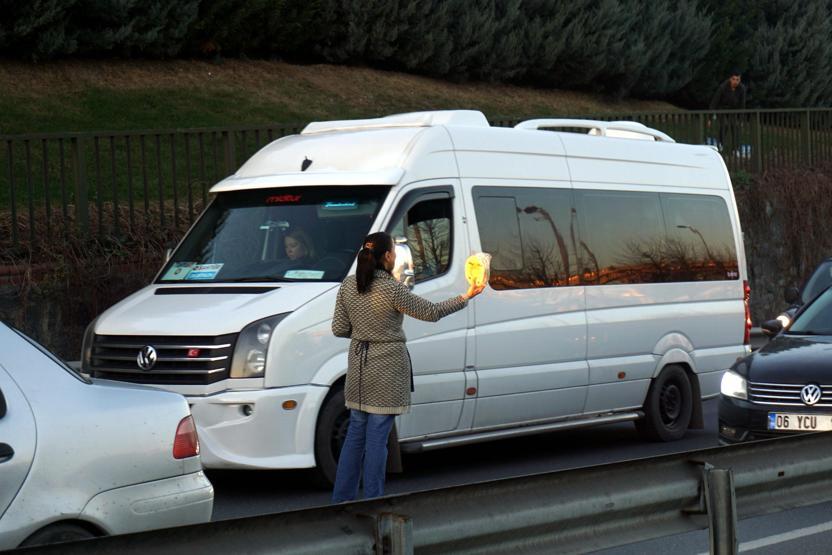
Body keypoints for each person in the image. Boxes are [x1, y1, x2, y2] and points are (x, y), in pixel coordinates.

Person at [330, 232, 485, 502]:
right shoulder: (391, 288)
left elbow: (339, 328)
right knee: (378, 435)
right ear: (387, 256)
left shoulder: (348, 285)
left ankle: (341, 499)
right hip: (387, 364)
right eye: (393, 252)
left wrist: (364, 331)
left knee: (356, 431)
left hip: (357, 363)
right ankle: (373, 500)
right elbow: (431, 312)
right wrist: (466, 296)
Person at [709, 69, 747, 156]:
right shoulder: (723, 87)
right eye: (734, 79)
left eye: (737, 80)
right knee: (725, 124)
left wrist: (740, 119)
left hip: (733, 111)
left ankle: (735, 148)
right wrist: (710, 118)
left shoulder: (741, 89)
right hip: (721, 109)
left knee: (735, 126)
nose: (735, 82)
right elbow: (714, 102)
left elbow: (742, 105)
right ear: (730, 79)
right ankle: (720, 144)